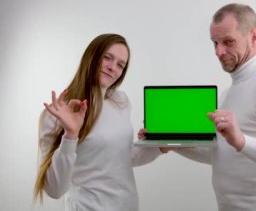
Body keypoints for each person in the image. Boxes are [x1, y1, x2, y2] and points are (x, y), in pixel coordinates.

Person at [142, 3, 256, 211]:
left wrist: (240, 140)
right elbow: (220, 154)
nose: (219, 51)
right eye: (215, 43)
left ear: (254, 37)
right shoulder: (230, 92)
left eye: (228, 42)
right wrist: (169, 142)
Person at [34, 33, 163, 211]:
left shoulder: (121, 101)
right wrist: (70, 135)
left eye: (120, 65)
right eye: (107, 58)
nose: (112, 68)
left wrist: (160, 146)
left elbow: (124, 157)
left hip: (128, 206)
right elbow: (55, 190)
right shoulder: (57, 114)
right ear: (92, 57)